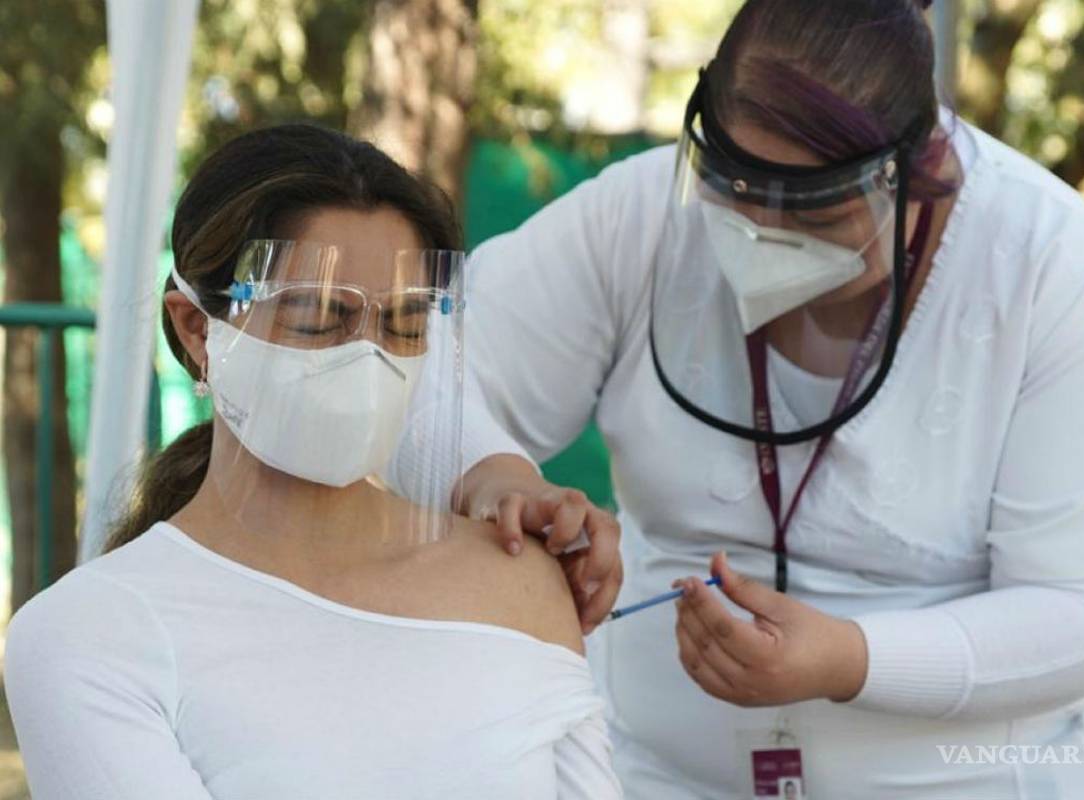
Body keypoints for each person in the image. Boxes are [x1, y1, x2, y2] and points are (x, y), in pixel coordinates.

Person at [457, 1, 1084, 797]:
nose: (757, 227)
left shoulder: (1053, 274)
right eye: (731, 185)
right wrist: (500, 475)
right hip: (661, 776)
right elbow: (440, 379)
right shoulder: (635, 222)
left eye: (815, 208)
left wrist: (852, 659)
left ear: (918, 171)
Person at [4, 124, 623, 799]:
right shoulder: (91, 633)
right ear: (195, 327)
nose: (368, 356)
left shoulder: (515, 579)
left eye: (405, 324)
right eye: (317, 318)